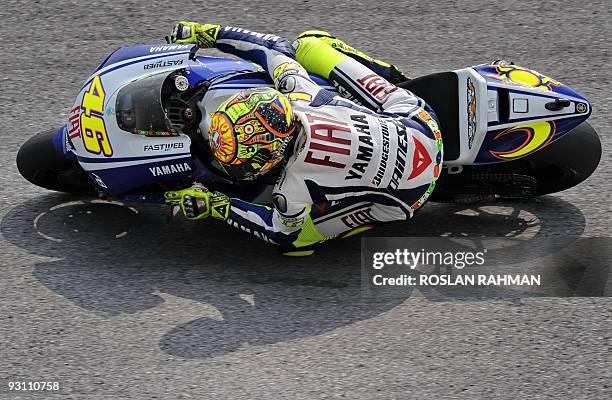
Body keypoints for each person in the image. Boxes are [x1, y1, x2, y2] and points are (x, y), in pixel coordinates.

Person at [164, 22, 443, 256]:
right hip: (421, 124)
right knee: (309, 44)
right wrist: (208, 33)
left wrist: (216, 205)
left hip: (411, 196)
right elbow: (274, 48)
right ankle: (399, 81)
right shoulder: (299, 92)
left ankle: (399, 81)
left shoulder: (292, 190)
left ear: (268, 158)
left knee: (299, 244)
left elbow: (282, 234)